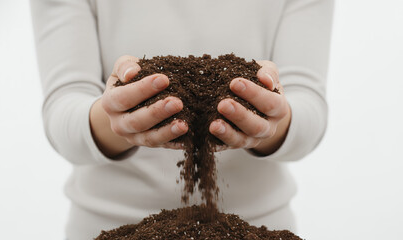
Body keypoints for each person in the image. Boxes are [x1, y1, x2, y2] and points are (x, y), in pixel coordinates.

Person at [30, 0, 334, 239]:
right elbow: (63, 110)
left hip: (253, 227)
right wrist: (116, 119)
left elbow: (308, 108)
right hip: (112, 226)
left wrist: (272, 120)